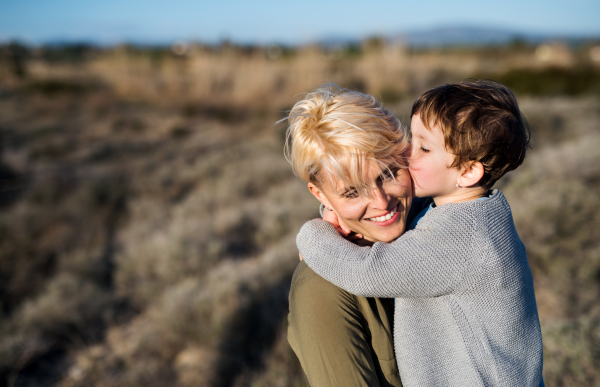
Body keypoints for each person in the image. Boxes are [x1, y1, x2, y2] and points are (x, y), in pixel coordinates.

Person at [297, 81, 545, 386]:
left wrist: (313, 235)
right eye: (351, 192)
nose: (408, 153)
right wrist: (333, 210)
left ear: (468, 171)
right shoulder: (469, 212)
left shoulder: (460, 238)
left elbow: (367, 273)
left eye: (423, 148)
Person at [285, 84, 426, 386]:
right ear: (320, 195)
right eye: (351, 192)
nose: (381, 202)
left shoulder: (439, 222)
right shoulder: (321, 291)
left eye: (388, 174)